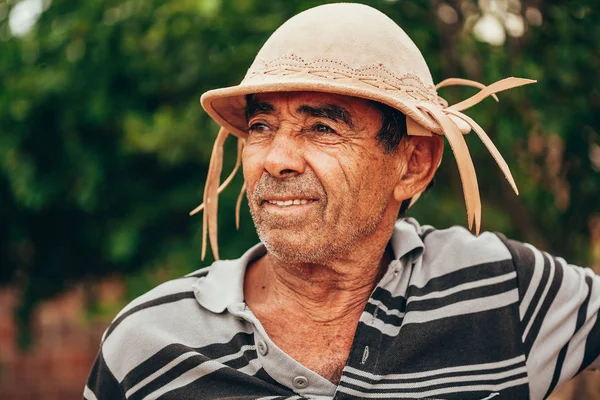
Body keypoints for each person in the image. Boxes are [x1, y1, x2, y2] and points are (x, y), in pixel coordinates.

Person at [84, 3, 599, 399]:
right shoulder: (147, 346)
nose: (277, 159)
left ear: (412, 163)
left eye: (322, 127)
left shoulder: (497, 289)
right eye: (261, 126)